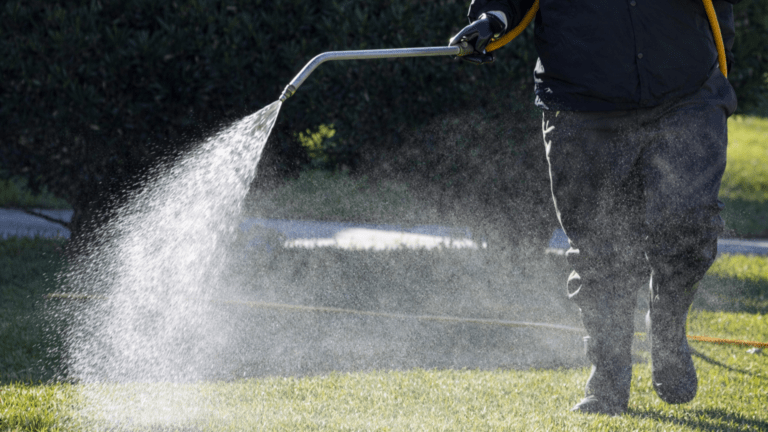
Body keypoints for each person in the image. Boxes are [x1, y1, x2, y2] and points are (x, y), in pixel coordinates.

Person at [449, 0, 740, 416]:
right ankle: (607, 379)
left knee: (689, 226)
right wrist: (492, 18)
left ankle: (668, 324)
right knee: (600, 249)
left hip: (685, 89)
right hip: (582, 102)